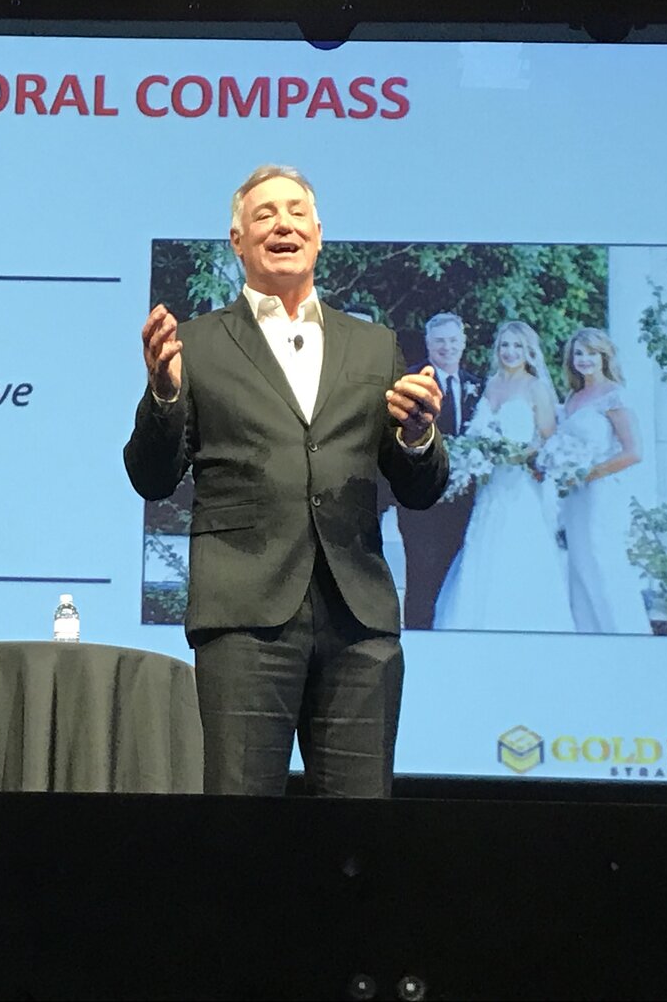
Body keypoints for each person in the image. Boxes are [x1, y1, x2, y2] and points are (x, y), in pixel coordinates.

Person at [123, 165, 448, 798]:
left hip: (359, 619)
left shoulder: (374, 345)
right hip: (245, 615)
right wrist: (163, 394)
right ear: (238, 241)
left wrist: (418, 435)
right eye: (265, 214)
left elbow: (420, 490)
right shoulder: (197, 344)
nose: (284, 224)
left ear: (318, 236)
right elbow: (152, 478)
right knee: (241, 822)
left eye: (297, 212)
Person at [433, 321, 574, 632]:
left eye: (517, 346)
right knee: (483, 542)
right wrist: (481, 453)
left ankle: (521, 619)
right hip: (491, 483)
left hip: (520, 483)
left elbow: (548, 437)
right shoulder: (491, 383)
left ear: (528, 351)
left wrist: (520, 454)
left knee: (517, 545)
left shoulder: (535, 387)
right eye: (505, 345)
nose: (510, 352)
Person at [555, 328, 652, 635]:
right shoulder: (573, 397)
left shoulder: (614, 394)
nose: (584, 359)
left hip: (601, 491)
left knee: (601, 558)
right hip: (575, 495)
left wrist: (588, 473)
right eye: (578, 354)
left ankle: (625, 633)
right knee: (579, 563)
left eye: (591, 353)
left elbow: (634, 452)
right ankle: (590, 634)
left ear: (604, 357)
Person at [395, 312, 481, 630]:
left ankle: (444, 632)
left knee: (453, 567)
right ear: (428, 343)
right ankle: (419, 636)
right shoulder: (409, 381)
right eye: (440, 341)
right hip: (420, 496)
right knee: (421, 569)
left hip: (462, 499)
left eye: (453, 340)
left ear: (464, 343)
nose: (447, 347)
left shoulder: (477, 385)